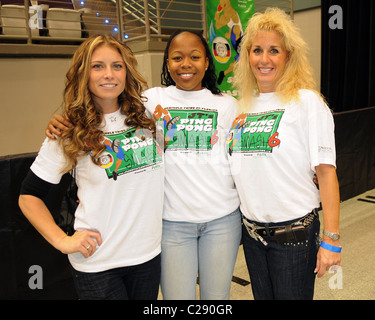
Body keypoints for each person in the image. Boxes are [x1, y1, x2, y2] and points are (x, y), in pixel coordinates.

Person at [46, 30, 242, 300]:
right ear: (167, 63)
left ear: (207, 62)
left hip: (222, 219)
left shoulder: (228, 105)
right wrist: (63, 119)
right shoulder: (149, 101)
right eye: (177, 57)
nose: (186, 64)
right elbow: (106, 104)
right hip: (171, 222)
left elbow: (242, 160)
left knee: (217, 298)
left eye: (195, 57)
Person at [19, 34, 164, 300]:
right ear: (83, 73)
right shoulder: (69, 130)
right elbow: (29, 197)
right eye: (98, 66)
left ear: (127, 71)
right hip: (98, 263)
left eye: (117, 66)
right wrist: (63, 241)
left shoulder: (148, 115)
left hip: (148, 256)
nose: (109, 74)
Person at [228, 8, 341, 300]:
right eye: (257, 50)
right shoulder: (241, 106)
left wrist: (331, 240)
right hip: (252, 239)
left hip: (294, 239)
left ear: (288, 56)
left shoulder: (306, 102)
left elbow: (327, 174)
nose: (264, 59)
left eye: (274, 50)